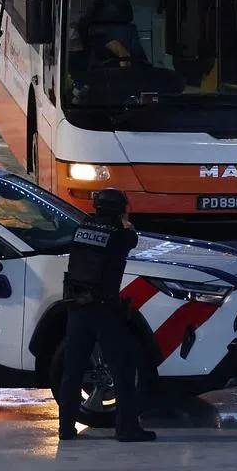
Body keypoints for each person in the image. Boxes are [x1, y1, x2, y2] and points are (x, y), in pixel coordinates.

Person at [58, 188, 156, 443]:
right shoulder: (121, 235)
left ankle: (65, 429)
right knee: (123, 369)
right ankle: (126, 429)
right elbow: (133, 238)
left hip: (77, 305)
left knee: (72, 369)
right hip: (104, 309)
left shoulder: (81, 228)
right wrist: (124, 223)